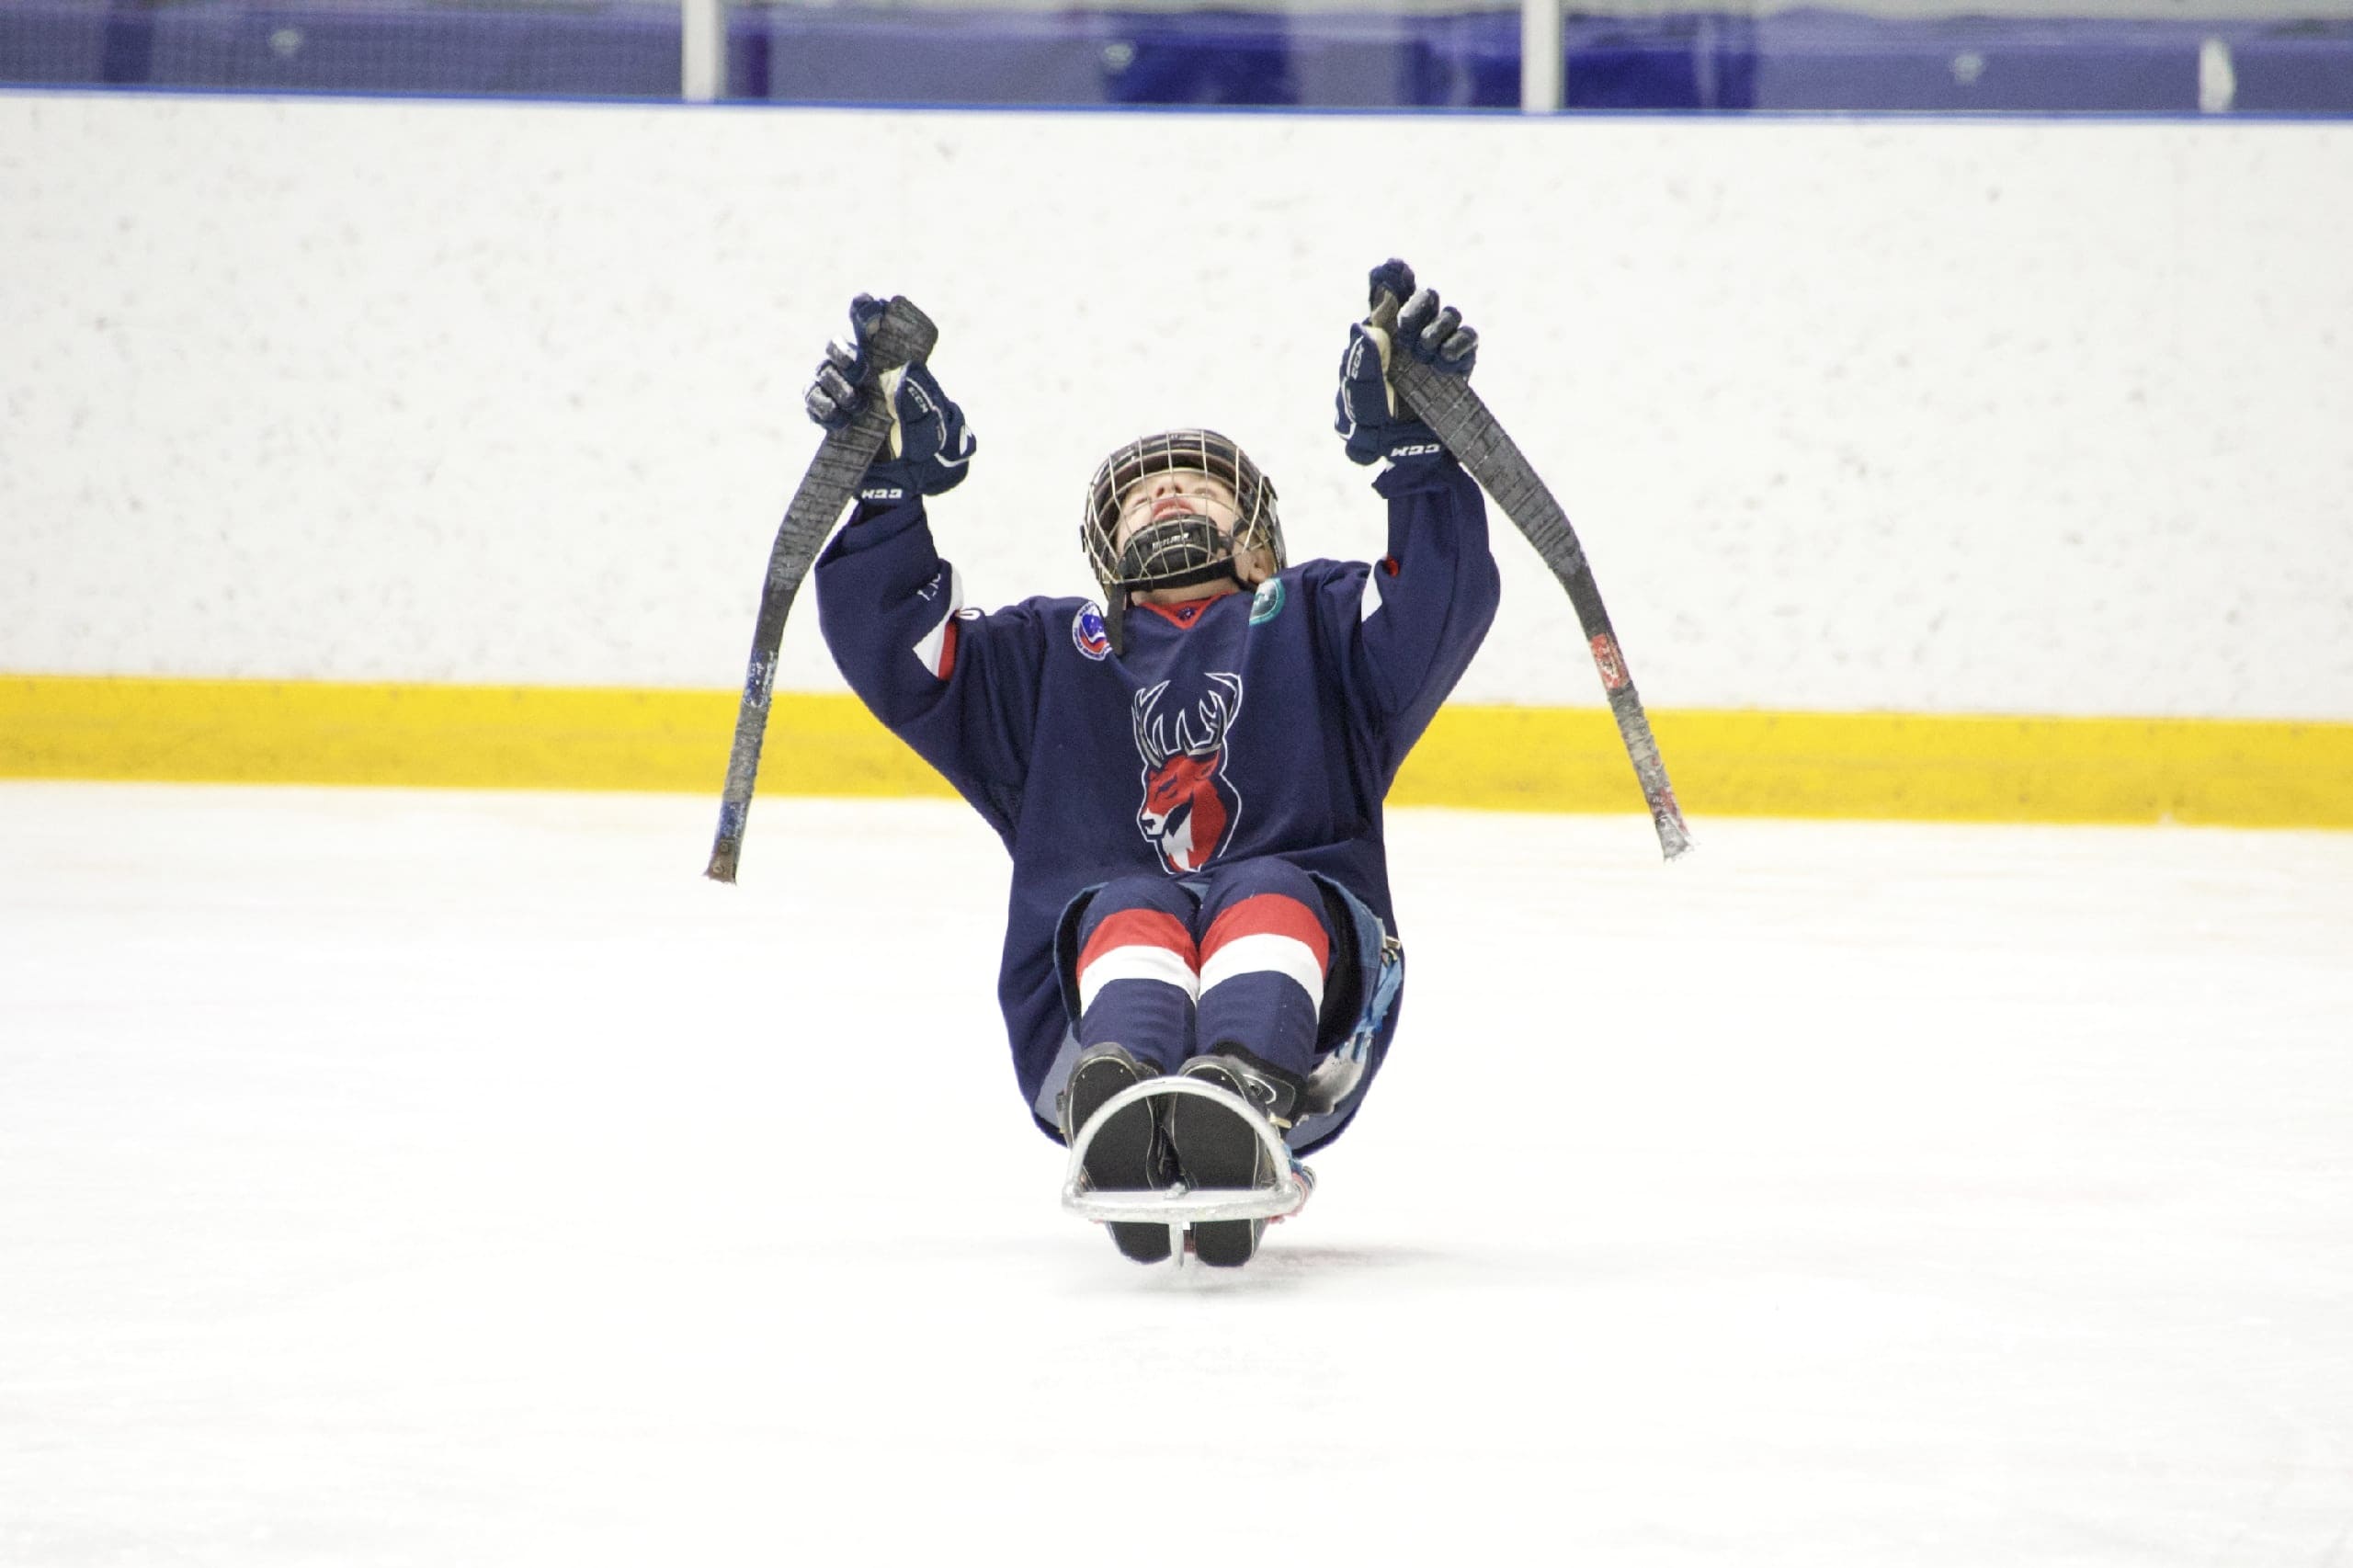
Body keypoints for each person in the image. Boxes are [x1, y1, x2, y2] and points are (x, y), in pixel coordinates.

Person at [809, 260, 1498, 1266]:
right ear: (1106, 550)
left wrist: (1420, 461)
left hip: (1316, 1015)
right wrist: (883, 499)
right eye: (1139, 497)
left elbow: (1437, 605)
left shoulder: (1316, 620)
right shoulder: (1045, 655)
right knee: (1130, 902)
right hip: (1077, 1008)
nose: (1167, 491)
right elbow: (899, 655)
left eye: (1202, 485)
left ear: (1257, 542)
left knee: (1267, 886)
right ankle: (1123, 1099)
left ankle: (1240, 1092)